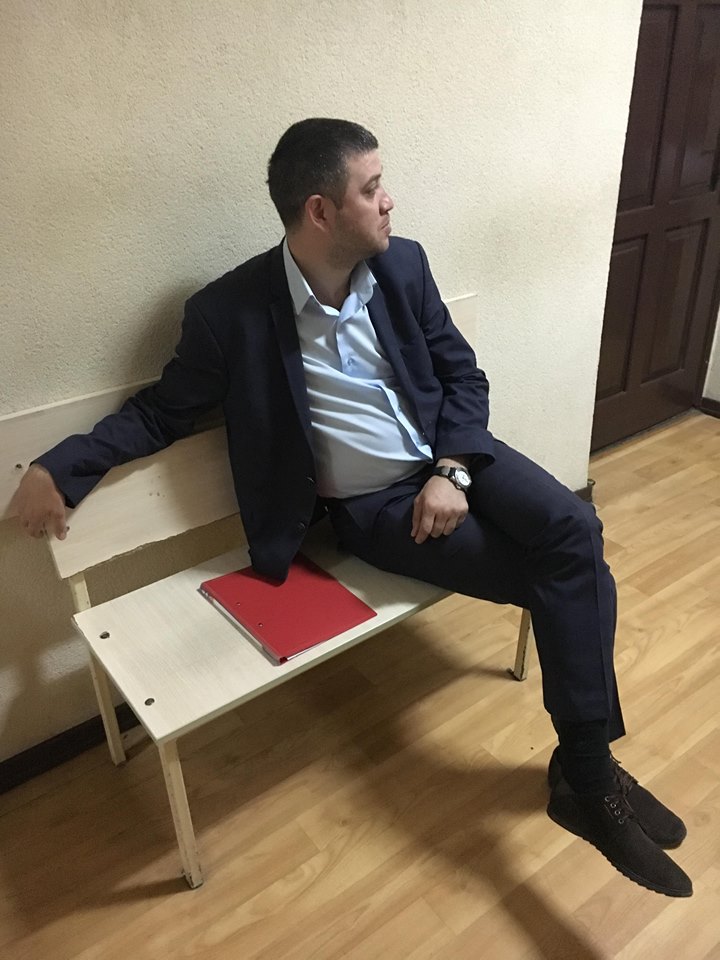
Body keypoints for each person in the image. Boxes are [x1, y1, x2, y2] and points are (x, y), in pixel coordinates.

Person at [13, 118, 691, 898]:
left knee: (575, 530)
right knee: (568, 573)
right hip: (378, 509)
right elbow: (162, 412)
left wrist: (453, 470)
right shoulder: (229, 314)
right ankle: (589, 780)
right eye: (371, 189)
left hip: (454, 459)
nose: (389, 200)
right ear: (320, 211)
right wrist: (63, 467)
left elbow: (462, 377)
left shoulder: (402, 266)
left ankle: (585, 776)